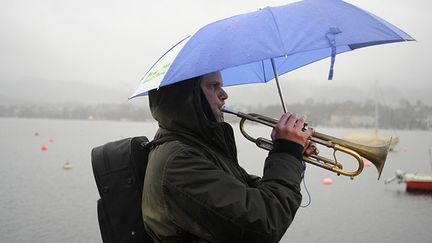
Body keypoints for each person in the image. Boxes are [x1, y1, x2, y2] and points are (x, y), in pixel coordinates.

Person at [143, 71, 317, 243]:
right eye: (213, 86)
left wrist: (291, 154)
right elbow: (265, 223)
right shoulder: (179, 161)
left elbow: (251, 196)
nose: (224, 95)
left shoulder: (196, 147)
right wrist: (286, 151)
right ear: (187, 97)